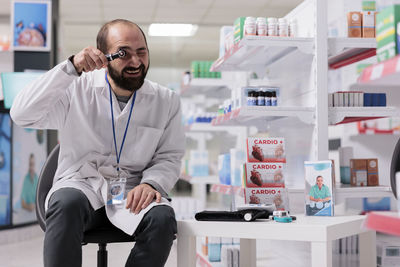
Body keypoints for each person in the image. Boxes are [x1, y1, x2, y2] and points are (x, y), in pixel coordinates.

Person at [10, 19, 185, 267]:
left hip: (132, 193)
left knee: (163, 218)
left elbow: (170, 155)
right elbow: (21, 114)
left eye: (141, 52)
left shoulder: (166, 100)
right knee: (66, 203)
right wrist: (70, 68)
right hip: (83, 185)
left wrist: (151, 183)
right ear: (103, 56)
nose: (136, 62)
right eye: (123, 53)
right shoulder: (76, 89)